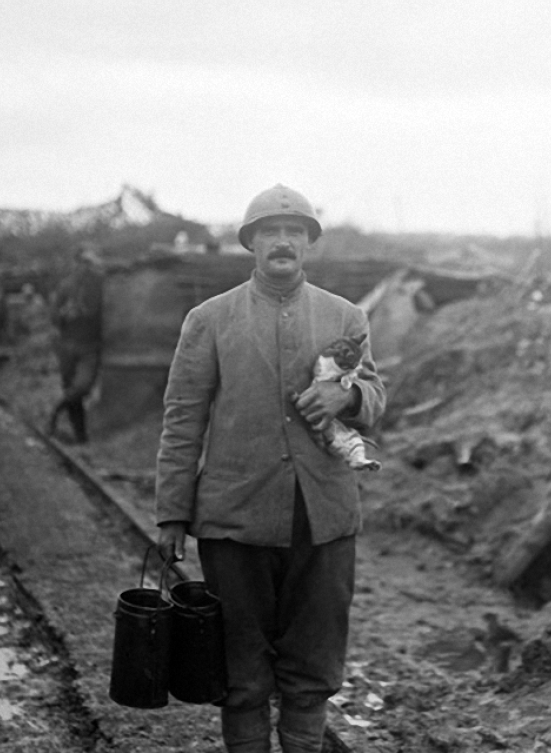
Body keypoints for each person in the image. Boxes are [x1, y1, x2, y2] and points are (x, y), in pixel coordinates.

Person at [155, 185, 386, 753]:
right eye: (269, 231)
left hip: (323, 519)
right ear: (251, 244)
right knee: (241, 670)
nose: (282, 241)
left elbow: (375, 392)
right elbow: (183, 419)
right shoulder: (208, 320)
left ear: (309, 243)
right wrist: (172, 515)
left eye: (294, 232)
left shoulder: (345, 316)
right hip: (236, 518)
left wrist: (348, 401)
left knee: (314, 663)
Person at [47, 246, 104, 444]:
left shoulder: (99, 284)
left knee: (81, 387)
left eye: (89, 263)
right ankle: (81, 438)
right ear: (76, 263)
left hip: (90, 345)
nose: (85, 268)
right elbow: (54, 315)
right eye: (82, 263)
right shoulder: (66, 286)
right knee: (72, 392)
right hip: (67, 346)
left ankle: (57, 409)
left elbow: (102, 311)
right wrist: (65, 314)